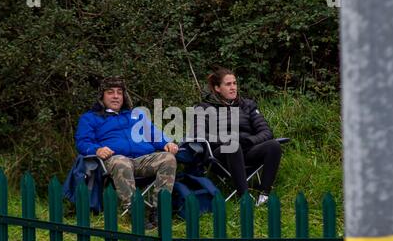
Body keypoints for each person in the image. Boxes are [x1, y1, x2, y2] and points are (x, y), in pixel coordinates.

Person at [75, 76, 179, 228]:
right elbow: (82, 142)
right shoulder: (90, 118)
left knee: (168, 158)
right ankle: (134, 212)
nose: (116, 96)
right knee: (120, 161)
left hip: (142, 159)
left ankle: (158, 211)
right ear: (102, 96)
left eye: (119, 92)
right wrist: (96, 149)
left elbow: (154, 135)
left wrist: (167, 142)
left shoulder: (136, 116)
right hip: (114, 160)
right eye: (110, 92)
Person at [193, 67, 282, 200]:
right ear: (217, 88)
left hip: (247, 149)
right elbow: (198, 134)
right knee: (232, 145)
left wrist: (250, 141)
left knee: (273, 145)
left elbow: (266, 131)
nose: (233, 87)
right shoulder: (204, 108)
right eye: (228, 84)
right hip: (221, 154)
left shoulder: (247, 105)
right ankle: (244, 197)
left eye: (234, 83)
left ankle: (264, 194)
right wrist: (227, 140)